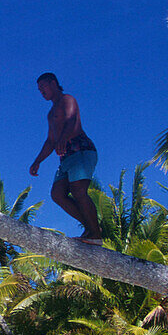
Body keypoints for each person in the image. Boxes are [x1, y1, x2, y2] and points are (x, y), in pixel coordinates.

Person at [29, 72, 102, 244]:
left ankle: (95, 235)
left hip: (80, 149)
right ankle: (93, 228)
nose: (41, 92)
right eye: (39, 90)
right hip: (66, 157)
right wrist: (37, 161)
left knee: (78, 190)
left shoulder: (67, 99)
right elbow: (50, 141)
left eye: (43, 87)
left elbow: (71, 119)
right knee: (57, 194)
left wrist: (63, 138)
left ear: (53, 83)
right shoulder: (50, 113)